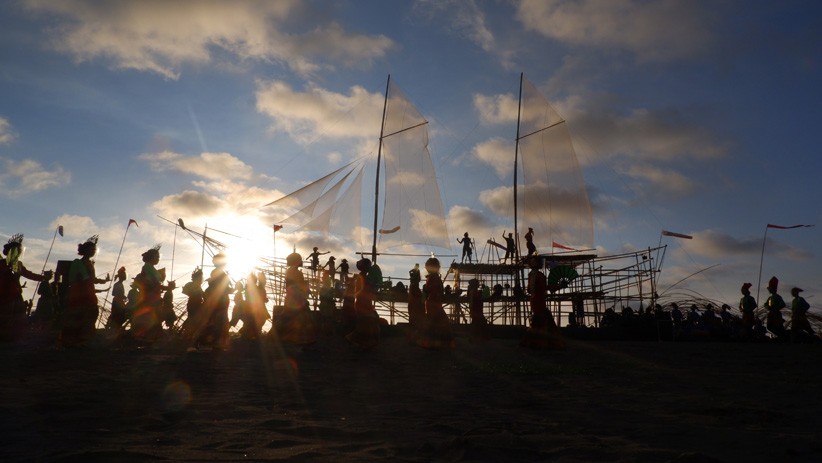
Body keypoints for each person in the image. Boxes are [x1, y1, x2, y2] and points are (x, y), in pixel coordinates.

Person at [1, 234, 53, 342]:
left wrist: (43, 277)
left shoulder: (18, 265)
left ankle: (15, 338)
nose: (18, 253)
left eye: (19, 251)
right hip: (4, 295)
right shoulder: (1, 264)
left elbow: (30, 275)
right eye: (16, 251)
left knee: (19, 318)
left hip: (16, 295)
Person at [60, 235, 109, 347]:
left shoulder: (90, 263)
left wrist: (103, 281)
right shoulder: (78, 263)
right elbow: (82, 278)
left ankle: (85, 338)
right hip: (81, 292)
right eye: (91, 249)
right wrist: (99, 281)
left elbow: (92, 279)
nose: (93, 251)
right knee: (81, 314)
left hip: (89, 291)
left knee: (91, 313)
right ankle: (77, 339)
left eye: (94, 250)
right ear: (85, 250)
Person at [130, 245, 172, 345]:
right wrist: (166, 287)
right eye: (157, 257)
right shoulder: (147, 267)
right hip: (150, 296)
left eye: (158, 257)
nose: (158, 259)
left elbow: (156, 283)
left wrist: (166, 287)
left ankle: (151, 337)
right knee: (151, 317)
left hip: (154, 296)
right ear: (151, 257)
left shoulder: (151, 268)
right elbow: (152, 283)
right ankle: (145, 337)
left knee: (154, 316)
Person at [520, 257, 564, 349]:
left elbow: (539, 288)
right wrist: (557, 286)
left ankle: (538, 341)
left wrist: (557, 286)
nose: (533, 263)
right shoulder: (534, 275)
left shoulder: (536, 275)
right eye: (532, 261)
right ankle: (541, 341)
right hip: (536, 299)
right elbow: (535, 288)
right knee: (540, 317)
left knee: (539, 317)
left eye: (534, 261)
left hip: (537, 299)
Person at [274, 252, 316, 345]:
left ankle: (285, 337)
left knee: (289, 316)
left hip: (292, 297)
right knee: (299, 317)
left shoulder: (290, 271)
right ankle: (297, 338)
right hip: (296, 297)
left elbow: (293, 285)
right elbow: (299, 285)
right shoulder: (296, 272)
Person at [416, 257, 454, 349]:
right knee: (440, 323)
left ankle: (431, 342)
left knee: (434, 323)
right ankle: (436, 343)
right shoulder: (434, 278)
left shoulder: (431, 278)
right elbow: (436, 292)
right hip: (434, 304)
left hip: (432, 303)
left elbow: (429, 292)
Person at [345, 258, 380, 350]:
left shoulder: (362, 276)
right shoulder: (363, 277)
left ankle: (359, 341)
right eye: (368, 266)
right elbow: (364, 290)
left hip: (363, 303)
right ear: (365, 267)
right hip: (363, 303)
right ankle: (354, 339)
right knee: (365, 323)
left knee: (365, 323)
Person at [105, 267, 129, 336]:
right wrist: (122, 296)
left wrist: (123, 296)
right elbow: (114, 293)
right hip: (117, 302)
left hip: (118, 301)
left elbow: (114, 293)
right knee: (118, 315)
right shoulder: (118, 284)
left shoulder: (119, 284)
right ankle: (113, 331)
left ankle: (114, 330)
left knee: (117, 315)